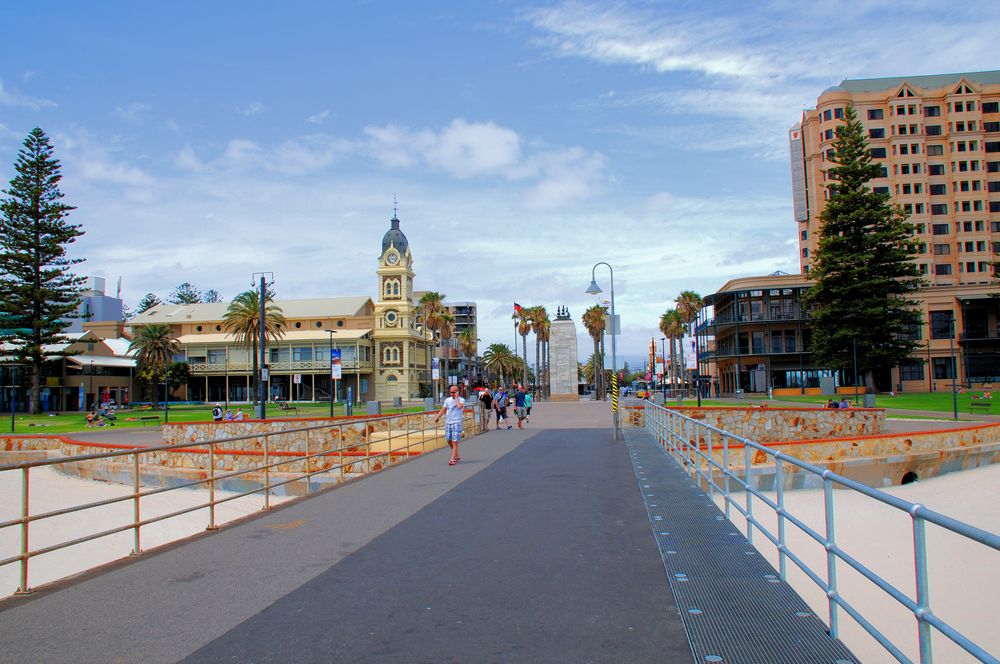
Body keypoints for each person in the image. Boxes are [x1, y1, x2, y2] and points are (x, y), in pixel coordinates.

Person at [434, 385, 465, 466]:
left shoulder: (461, 400)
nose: (452, 394)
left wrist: (457, 398)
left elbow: (459, 406)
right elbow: (443, 409)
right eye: (451, 392)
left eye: (454, 392)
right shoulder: (447, 400)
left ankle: (452, 459)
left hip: (456, 422)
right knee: (448, 440)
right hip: (448, 422)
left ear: (457, 392)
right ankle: (457, 455)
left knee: (455, 441)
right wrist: (438, 416)